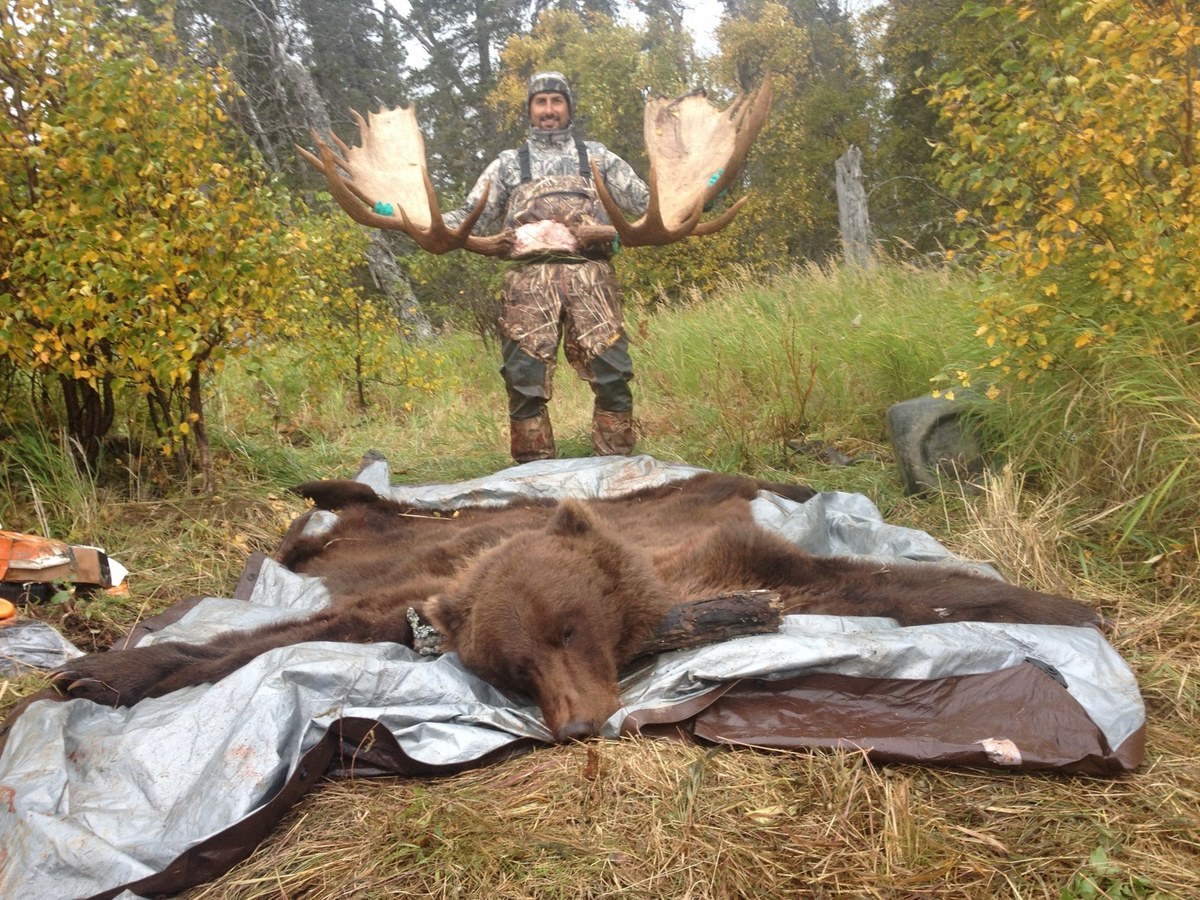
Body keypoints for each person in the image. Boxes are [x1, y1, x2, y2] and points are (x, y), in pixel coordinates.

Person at [444, 71, 650, 464]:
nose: (549, 110)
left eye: (557, 101)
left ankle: (617, 465)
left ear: (568, 107)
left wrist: (699, 196)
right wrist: (413, 215)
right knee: (524, 379)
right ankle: (532, 475)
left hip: (591, 276)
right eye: (541, 102)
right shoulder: (507, 164)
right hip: (527, 283)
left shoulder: (599, 158)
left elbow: (646, 203)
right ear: (530, 110)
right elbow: (469, 214)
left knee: (613, 372)